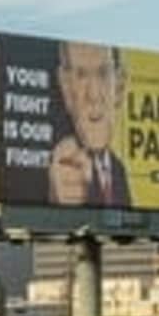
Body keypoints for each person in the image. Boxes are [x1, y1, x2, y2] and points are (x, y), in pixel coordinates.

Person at [48, 42, 132, 207]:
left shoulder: (119, 170)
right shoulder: (61, 166)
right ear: (66, 87)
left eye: (103, 74)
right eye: (81, 75)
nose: (93, 95)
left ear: (119, 86)